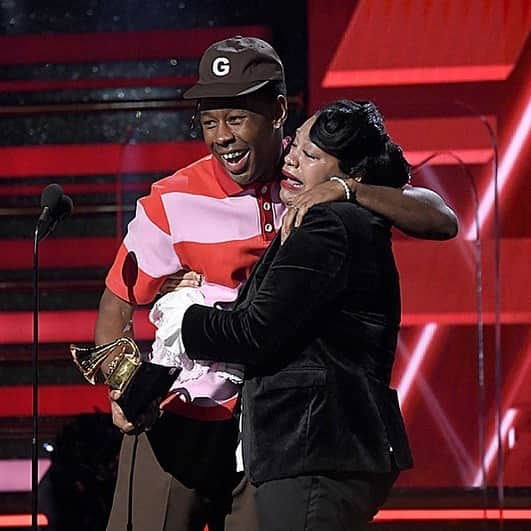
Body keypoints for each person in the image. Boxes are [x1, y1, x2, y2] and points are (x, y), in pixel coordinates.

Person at [95, 37, 457, 531]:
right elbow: (118, 301)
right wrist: (122, 388)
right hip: (179, 419)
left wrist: (348, 189)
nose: (222, 135)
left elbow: (439, 217)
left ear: (279, 110)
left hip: (274, 434)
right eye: (209, 122)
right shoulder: (171, 200)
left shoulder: (310, 173)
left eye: (237, 118)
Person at [179, 99, 413, 531]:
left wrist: (183, 320)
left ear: (349, 175)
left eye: (310, 156)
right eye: (295, 147)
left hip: (317, 448)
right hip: (325, 450)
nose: (290, 159)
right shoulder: (343, 221)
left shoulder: (329, 225)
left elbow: (253, 333)